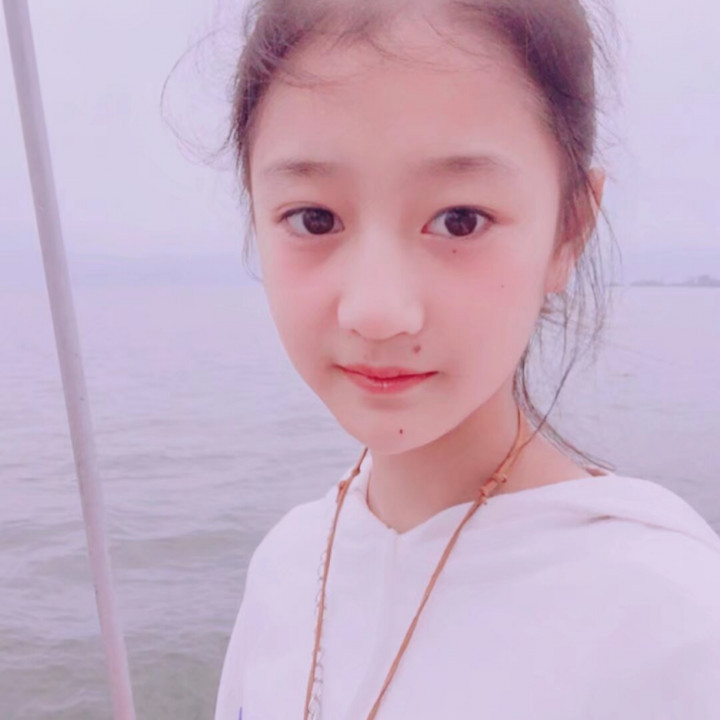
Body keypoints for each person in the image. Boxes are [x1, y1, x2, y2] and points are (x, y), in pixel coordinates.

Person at [212, 1, 720, 718]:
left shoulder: (672, 624)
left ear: (569, 229)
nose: (377, 311)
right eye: (314, 218)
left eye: (460, 220)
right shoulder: (286, 564)